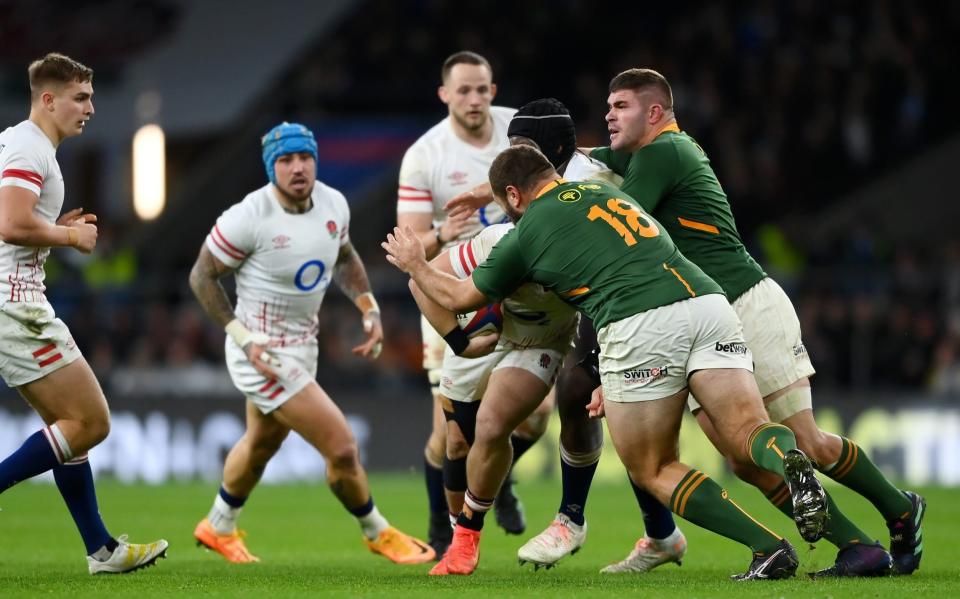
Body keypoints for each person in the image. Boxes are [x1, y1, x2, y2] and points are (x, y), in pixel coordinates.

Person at [384, 144, 831, 580]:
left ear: (515, 197)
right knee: (747, 431)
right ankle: (789, 459)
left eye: (504, 204)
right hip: (706, 301)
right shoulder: (606, 193)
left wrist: (414, 263)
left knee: (650, 466)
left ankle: (765, 546)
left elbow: (460, 295)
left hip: (627, 327)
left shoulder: (526, 231)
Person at [581, 68, 923, 577]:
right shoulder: (653, 154)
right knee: (745, 460)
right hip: (699, 319)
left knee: (805, 442)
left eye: (621, 105)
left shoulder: (664, 151)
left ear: (655, 113)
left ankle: (899, 507)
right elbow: (598, 159)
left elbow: (623, 229)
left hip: (744, 303)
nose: (609, 113)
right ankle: (859, 547)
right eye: (607, 105)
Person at [189, 122, 434, 565]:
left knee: (262, 443)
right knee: (341, 446)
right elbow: (201, 276)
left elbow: (344, 256)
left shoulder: (333, 203)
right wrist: (243, 340)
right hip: (261, 353)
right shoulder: (248, 216)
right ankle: (377, 531)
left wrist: (368, 307)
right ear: (271, 168)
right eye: (285, 161)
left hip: (303, 346)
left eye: (304, 158)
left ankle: (219, 524)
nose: (298, 168)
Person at [0, 52, 168, 574]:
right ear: (47, 99)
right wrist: (69, 235)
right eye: (80, 97)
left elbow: (20, 219)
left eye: (91, 96)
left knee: (66, 426)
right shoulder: (30, 146)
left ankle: (101, 549)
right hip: (15, 302)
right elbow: (9, 223)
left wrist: (52, 225)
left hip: (13, 297)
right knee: (91, 421)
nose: (90, 107)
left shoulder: (21, 143)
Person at [397, 50, 533, 554]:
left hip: (519, 290)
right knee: (450, 437)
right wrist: (441, 232)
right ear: (445, 95)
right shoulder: (425, 155)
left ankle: (499, 476)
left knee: (532, 416)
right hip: (451, 300)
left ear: (493, 91)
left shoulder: (517, 132)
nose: (475, 99)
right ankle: (442, 528)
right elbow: (408, 249)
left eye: (482, 89)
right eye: (464, 91)